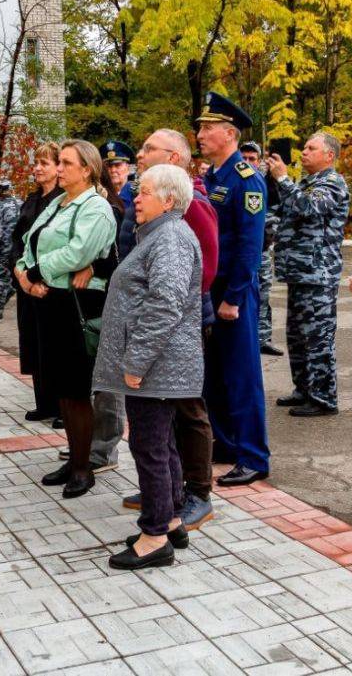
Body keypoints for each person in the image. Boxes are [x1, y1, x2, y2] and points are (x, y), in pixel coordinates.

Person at [94, 164, 203, 570]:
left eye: (144, 192)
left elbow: (165, 304)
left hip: (157, 364)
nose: (134, 198)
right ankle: (172, 519)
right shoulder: (160, 235)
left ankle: (154, 536)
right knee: (161, 443)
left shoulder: (170, 238)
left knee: (149, 446)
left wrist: (136, 360)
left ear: (168, 200)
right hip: (161, 364)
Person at [115, 128, 218, 530]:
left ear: (174, 157)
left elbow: (202, 270)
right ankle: (166, 488)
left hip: (180, 324)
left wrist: (176, 314)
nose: (139, 154)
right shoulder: (148, 195)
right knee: (160, 417)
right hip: (156, 322)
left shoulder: (187, 203)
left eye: (148, 149)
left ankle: (197, 491)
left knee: (187, 408)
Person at [15, 140, 116, 498]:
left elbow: (79, 252)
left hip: (76, 304)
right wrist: (24, 273)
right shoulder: (58, 202)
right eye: (59, 162)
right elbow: (30, 238)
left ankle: (83, 467)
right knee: (60, 387)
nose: (59, 169)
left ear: (87, 169)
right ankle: (74, 456)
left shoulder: (96, 207)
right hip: (48, 299)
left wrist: (37, 272)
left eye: (66, 163)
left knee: (75, 389)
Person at [199, 92, 270, 485]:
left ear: (229, 134)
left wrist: (233, 297)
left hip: (233, 292)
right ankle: (225, 444)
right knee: (216, 375)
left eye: (208, 128)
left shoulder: (247, 179)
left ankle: (254, 456)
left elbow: (249, 246)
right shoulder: (212, 177)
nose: (201, 134)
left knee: (242, 375)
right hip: (213, 290)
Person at [266, 133, 350, 417]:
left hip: (318, 273)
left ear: (329, 156)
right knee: (297, 335)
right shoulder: (305, 183)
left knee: (317, 337)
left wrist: (282, 179)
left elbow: (310, 207)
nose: (303, 152)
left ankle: (324, 398)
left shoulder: (333, 182)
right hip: (299, 273)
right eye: (304, 147)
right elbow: (285, 214)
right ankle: (304, 389)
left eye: (311, 148)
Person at [14, 144, 64, 424]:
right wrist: (21, 276)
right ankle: (43, 402)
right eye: (36, 162)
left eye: (44, 162)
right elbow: (17, 241)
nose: (37, 168)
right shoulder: (31, 201)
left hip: (50, 286)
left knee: (54, 346)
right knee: (33, 342)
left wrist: (37, 279)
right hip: (27, 285)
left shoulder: (63, 201)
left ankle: (61, 407)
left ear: (59, 167)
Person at [241, 141, 284, 356]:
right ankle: (246, 339)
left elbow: (278, 211)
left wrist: (268, 232)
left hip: (263, 248)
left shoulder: (268, 182)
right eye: (244, 158)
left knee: (264, 292)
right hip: (242, 250)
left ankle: (263, 338)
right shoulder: (236, 181)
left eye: (252, 159)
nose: (248, 162)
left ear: (260, 161)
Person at [0, 179, 22, 316]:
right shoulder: (20, 203)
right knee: (13, 274)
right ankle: (10, 290)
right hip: (20, 247)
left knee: (0, 276)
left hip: (5, 247)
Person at [100, 140, 136, 207]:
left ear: (128, 168)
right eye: (109, 166)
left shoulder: (136, 194)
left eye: (117, 165)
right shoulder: (100, 195)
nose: (113, 170)